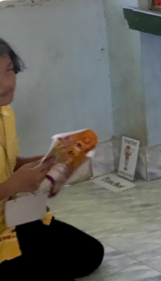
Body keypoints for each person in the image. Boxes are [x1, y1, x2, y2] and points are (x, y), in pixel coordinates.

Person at [0, 39, 104, 279]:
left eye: (9, 70)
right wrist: (11, 186)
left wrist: (41, 163)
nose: (6, 83)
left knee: (88, 254)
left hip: (10, 217)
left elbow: (7, 162)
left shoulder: (5, 111)